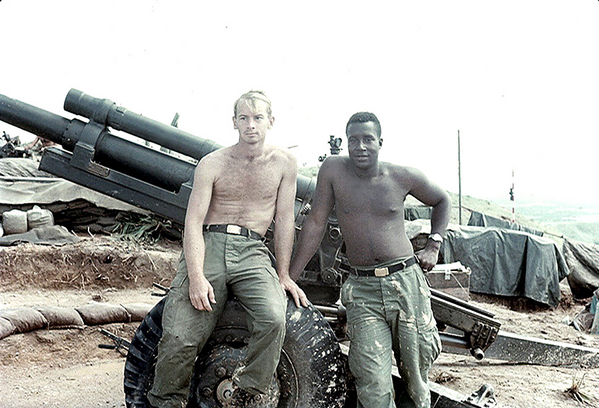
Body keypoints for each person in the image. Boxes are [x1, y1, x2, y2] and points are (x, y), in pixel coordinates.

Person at [147, 90, 307, 408]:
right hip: (210, 244)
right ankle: (165, 401)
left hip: (253, 250)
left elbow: (285, 219)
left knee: (273, 318)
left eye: (258, 118)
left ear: (270, 121)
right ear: (234, 122)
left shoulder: (285, 163)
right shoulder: (213, 163)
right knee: (180, 335)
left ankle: (246, 389)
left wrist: (284, 274)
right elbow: (193, 222)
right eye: (244, 118)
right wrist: (195, 276)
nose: (251, 125)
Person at [289, 112, 451, 408]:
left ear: (380, 142)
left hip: (406, 285)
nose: (360, 147)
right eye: (353, 140)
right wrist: (289, 277)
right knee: (371, 382)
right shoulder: (334, 171)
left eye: (367, 140)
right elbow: (315, 223)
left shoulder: (402, 176)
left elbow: (441, 200)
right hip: (362, 289)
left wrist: (434, 245)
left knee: (415, 380)